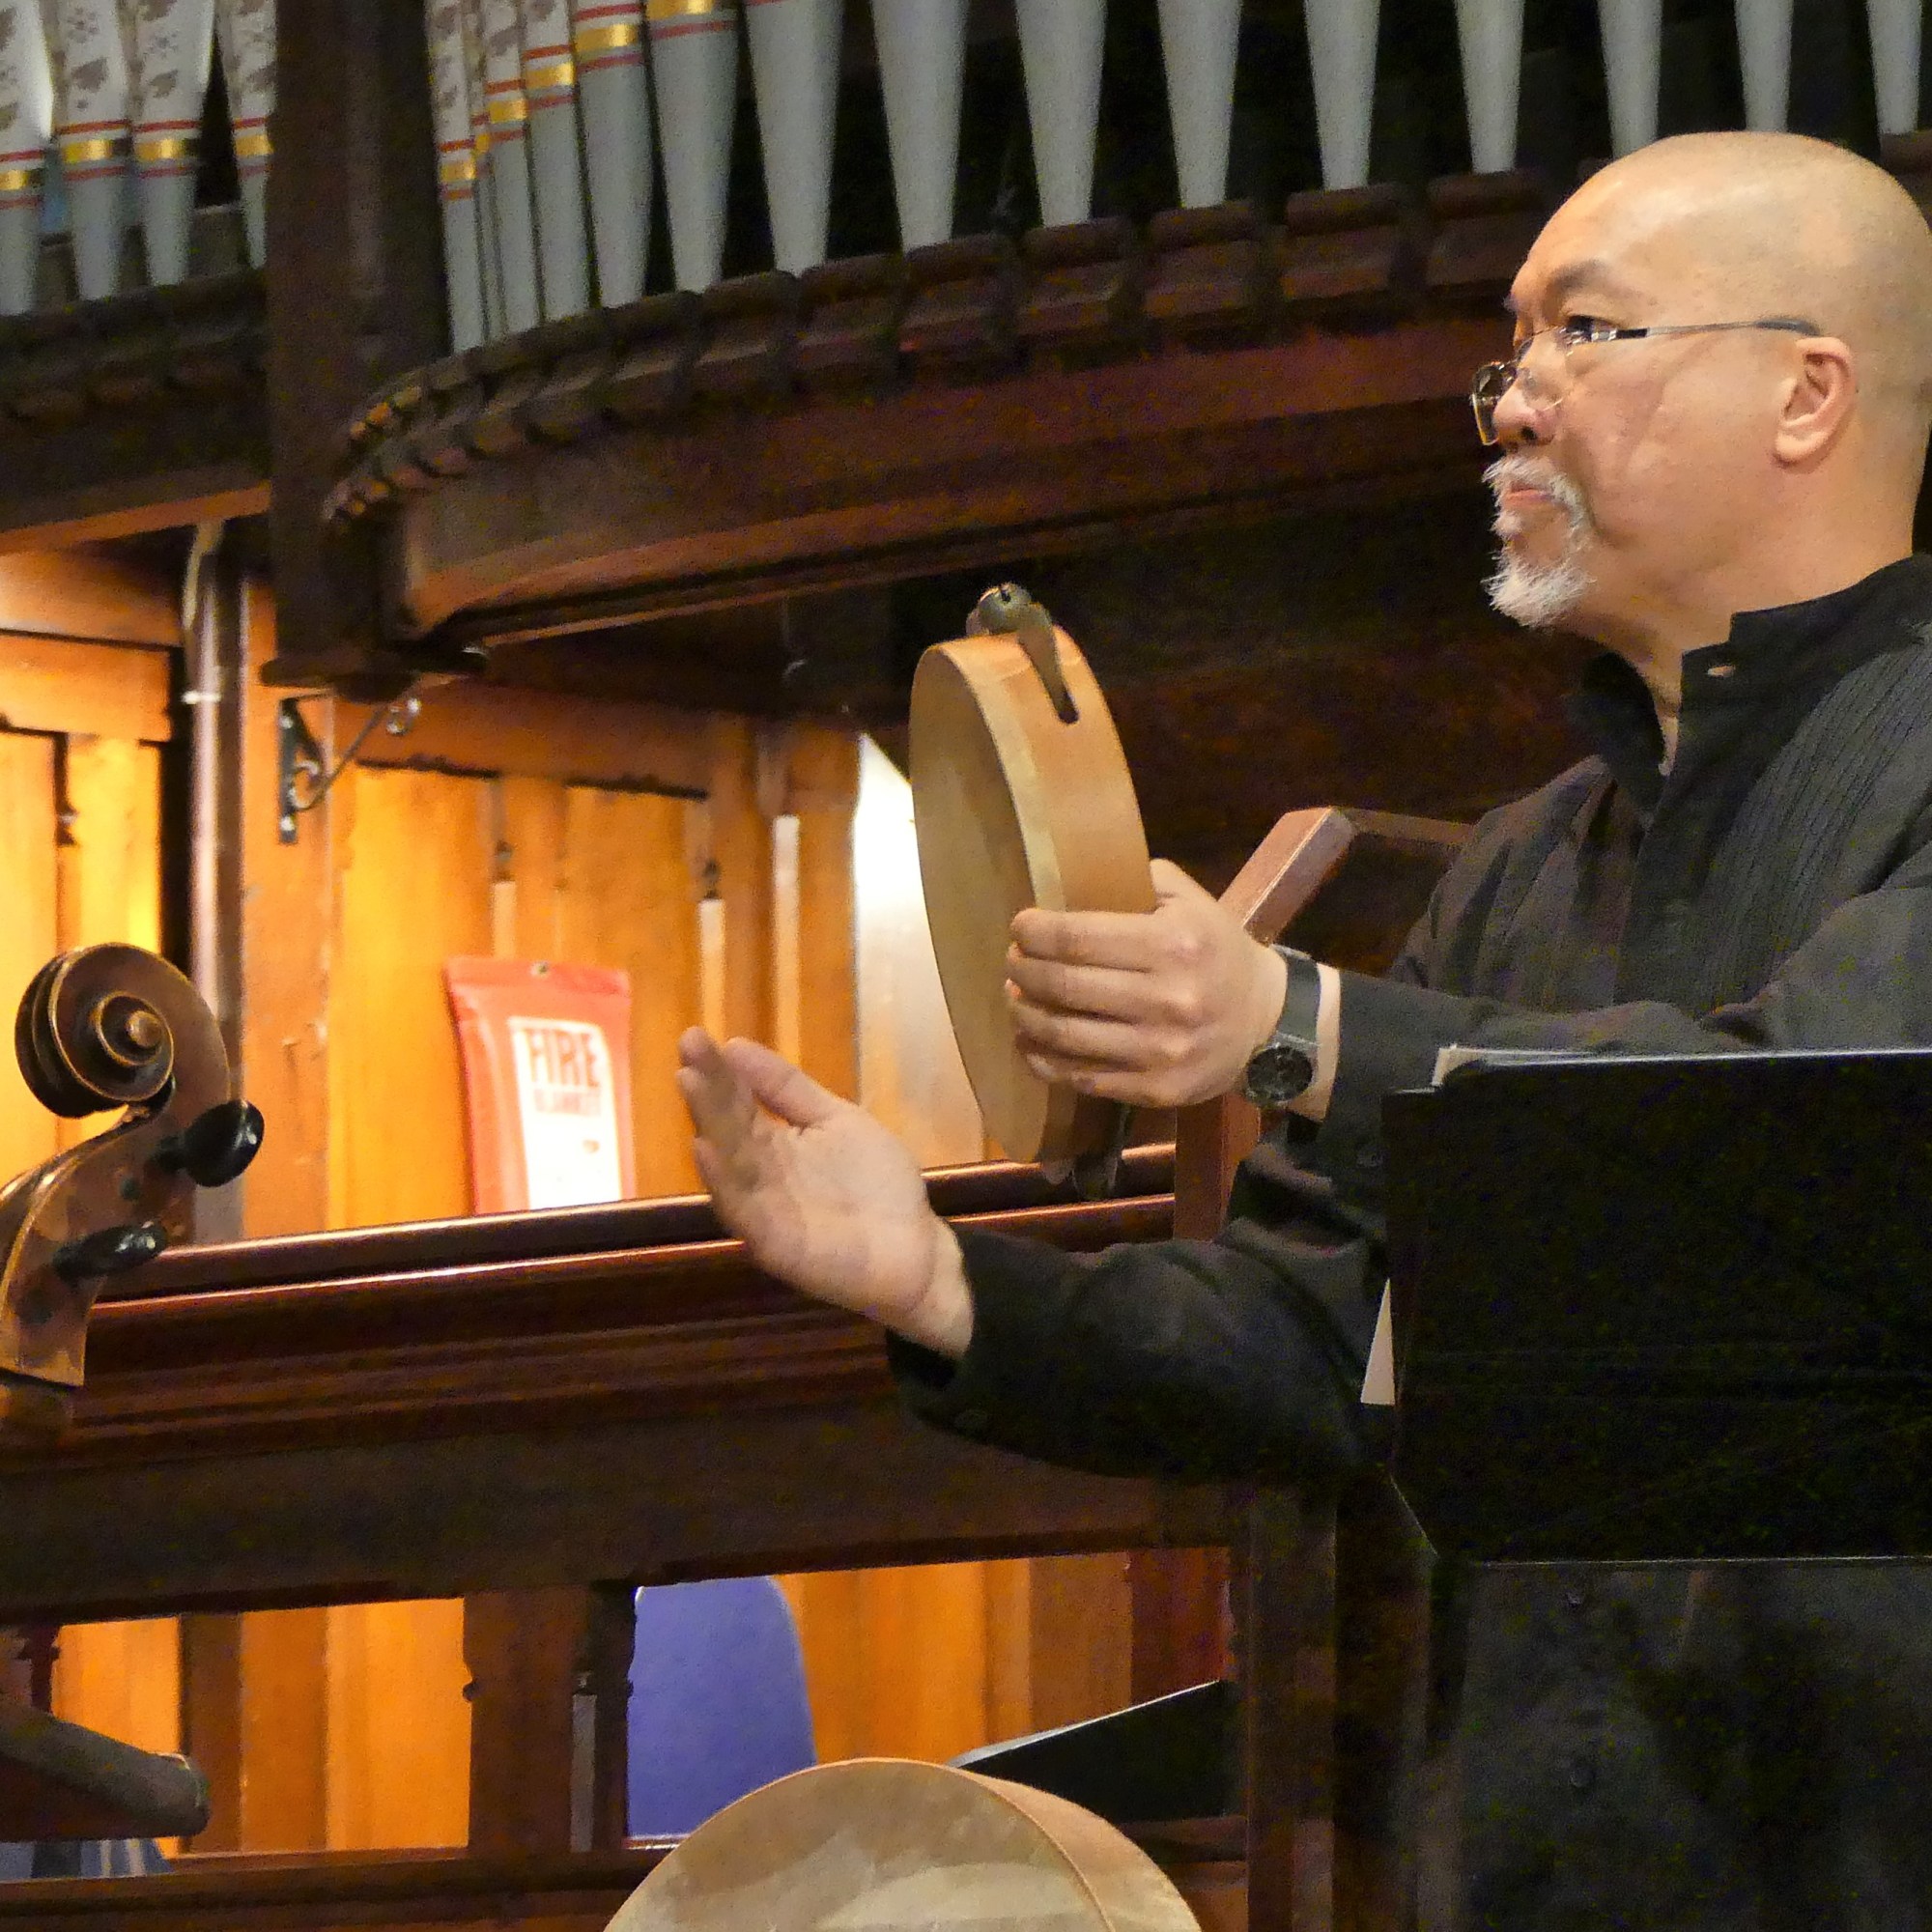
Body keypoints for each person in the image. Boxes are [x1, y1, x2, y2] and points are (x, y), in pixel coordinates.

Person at [678, 129, 1932, 1929]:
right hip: (1541, 1862)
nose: (1513, 404)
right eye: (1513, 349)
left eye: (1586, 334)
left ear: (1808, 392)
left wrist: (1299, 1025)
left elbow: (1791, 1127)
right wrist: (944, 1286)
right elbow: (1318, 1334)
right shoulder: (1519, 870)